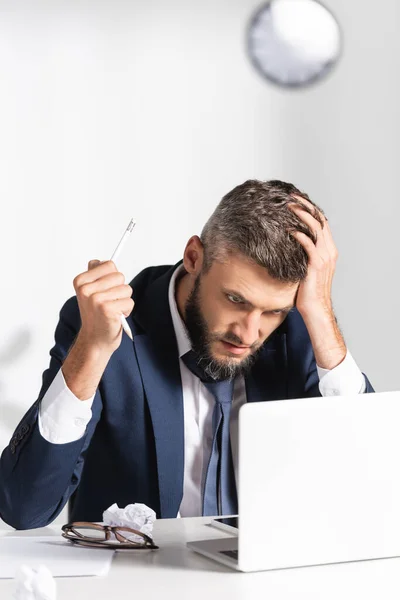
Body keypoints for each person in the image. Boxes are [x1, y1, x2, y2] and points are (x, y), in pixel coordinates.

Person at [0, 180, 373, 529]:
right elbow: (23, 508)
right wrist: (93, 349)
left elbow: (374, 482)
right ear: (194, 256)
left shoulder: (301, 328)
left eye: (273, 311)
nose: (248, 332)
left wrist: (321, 317)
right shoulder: (106, 325)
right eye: (235, 299)